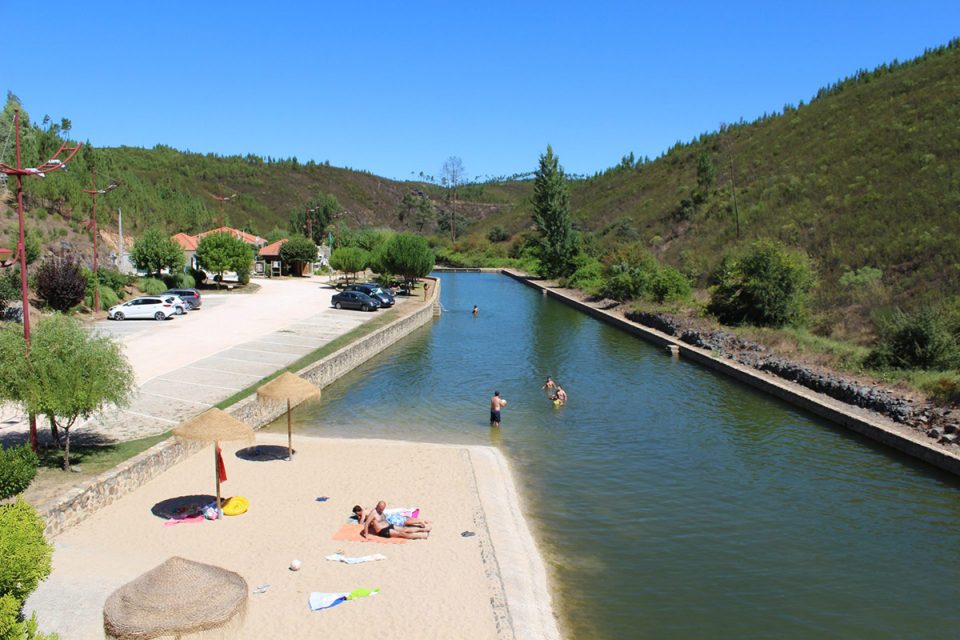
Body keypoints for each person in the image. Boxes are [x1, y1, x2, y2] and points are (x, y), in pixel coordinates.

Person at [360, 501, 430, 540]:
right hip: (383, 531)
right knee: (402, 534)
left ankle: (424, 530)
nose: (382, 510)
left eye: (383, 508)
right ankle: (422, 536)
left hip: (389, 525)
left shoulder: (381, 511)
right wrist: (366, 535)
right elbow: (366, 524)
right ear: (377, 506)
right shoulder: (373, 513)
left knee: (405, 529)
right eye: (381, 508)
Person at [352, 504, 430, 529]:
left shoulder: (363, 513)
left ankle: (420, 521)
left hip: (384, 517)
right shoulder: (365, 510)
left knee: (402, 521)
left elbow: (361, 523)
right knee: (403, 520)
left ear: (357, 512)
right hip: (384, 516)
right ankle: (420, 521)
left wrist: (359, 518)